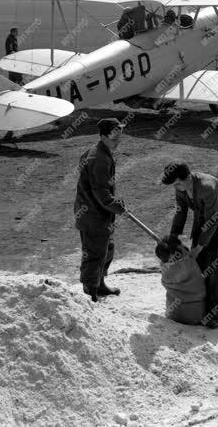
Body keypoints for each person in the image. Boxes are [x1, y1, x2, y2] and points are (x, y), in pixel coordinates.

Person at [162, 162, 218, 329]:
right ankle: (201, 306)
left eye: (178, 183)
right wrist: (173, 238)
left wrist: (199, 246)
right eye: (174, 185)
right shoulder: (180, 187)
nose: (176, 187)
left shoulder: (207, 187)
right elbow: (180, 212)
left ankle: (216, 313)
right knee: (200, 263)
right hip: (203, 214)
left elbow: (213, 219)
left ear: (188, 177)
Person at [74, 118, 126, 302]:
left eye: (119, 137)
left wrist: (112, 207)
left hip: (100, 213)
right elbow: (101, 192)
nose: (117, 141)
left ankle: (100, 284)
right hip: (92, 214)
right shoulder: (98, 158)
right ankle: (90, 292)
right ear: (103, 136)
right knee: (95, 252)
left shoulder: (102, 151)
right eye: (113, 138)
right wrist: (115, 205)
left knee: (107, 248)